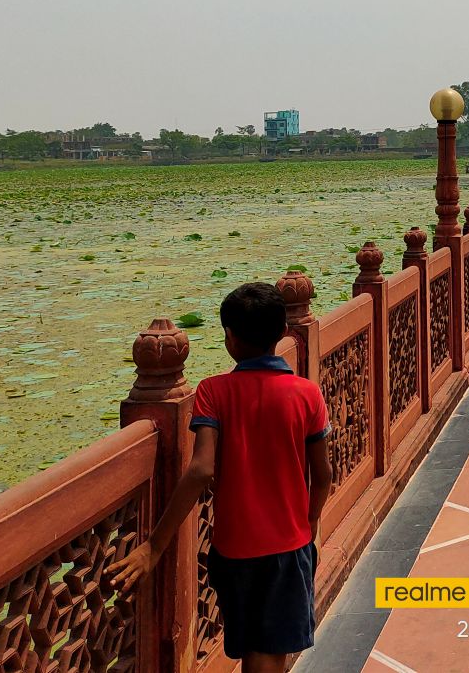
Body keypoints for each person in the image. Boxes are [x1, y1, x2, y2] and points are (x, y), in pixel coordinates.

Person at [108, 282, 333, 672]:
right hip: (289, 544)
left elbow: (201, 469)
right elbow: (324, 473)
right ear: (283, 331)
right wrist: (310, 521)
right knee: (269, 653)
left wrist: (155, 545)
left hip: (234, 549)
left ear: (229, 337)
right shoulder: (306, 393)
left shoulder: (213, 391)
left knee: (254, 651)